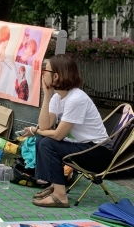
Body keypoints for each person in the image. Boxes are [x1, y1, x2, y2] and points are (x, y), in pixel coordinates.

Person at [23, 55, 112, 208]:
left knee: (48, 143)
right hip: (85, 147)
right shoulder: (58, 98)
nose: (43, 73)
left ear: (56, 76)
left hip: (99, 153)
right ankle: (55, 186)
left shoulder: (76, 99)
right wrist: (47, 95)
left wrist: (35, 130)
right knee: (41, 141)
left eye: (46, 70)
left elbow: (58, 134)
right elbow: (45, 125)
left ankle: (60, 196)